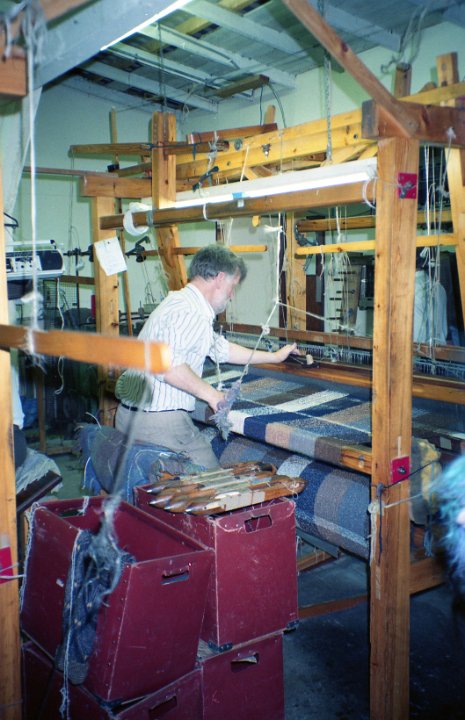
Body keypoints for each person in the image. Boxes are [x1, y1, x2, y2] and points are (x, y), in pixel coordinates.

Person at [115, 244, 298, 468]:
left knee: (151, 484)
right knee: (212, 483)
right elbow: (168, 366)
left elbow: (222, 349)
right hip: (158, 423)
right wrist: (212, 396)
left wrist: (275, 357)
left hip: (132, 416)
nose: (232, 295)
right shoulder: (191, 312)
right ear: (220, 278)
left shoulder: (180, 302)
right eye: (232, 286)